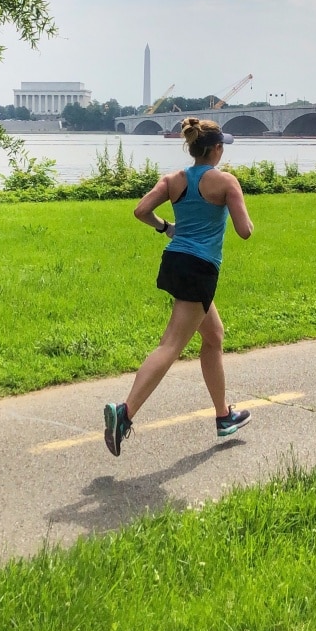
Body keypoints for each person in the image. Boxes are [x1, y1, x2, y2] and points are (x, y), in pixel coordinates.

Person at [104, 117, 254, 456]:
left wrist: (166, 227)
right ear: (216, 149)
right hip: (199, 268)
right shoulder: (226, 182)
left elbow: (141, 210)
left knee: (214, 336)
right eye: (222, 147)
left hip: (174, 262)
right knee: (171, 344)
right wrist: (239, 207)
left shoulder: (173, 180)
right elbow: (245, 231)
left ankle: (223, 416)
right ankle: (124, 413)